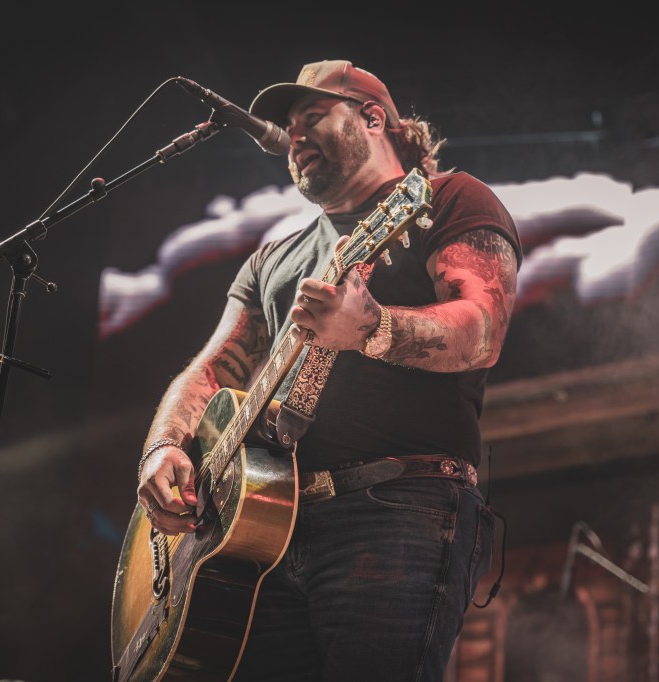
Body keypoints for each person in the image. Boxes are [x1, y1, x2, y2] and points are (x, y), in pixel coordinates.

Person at [135, 59, 521, 681]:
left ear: (374, 119)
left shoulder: (448, 197)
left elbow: (482, 330)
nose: (293, 136)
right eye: (289, 127)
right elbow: (212, 370)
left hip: (396, 509)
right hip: (258, 532)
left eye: (312, 116)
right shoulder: (271, 259)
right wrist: (163, 448)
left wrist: (371, 329)